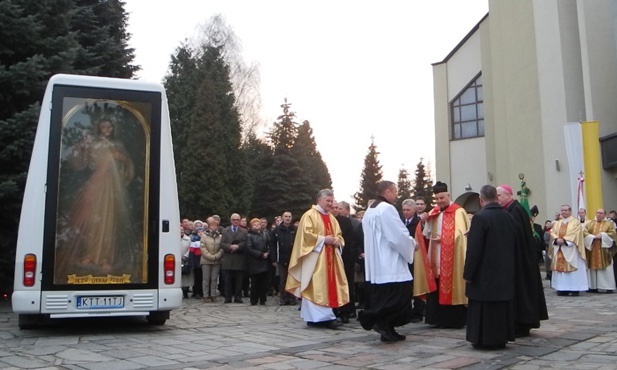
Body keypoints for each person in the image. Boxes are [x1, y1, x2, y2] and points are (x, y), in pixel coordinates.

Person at [55, 117, 139, 283]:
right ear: (99, 128)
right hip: (96, 181)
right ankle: (89, 255)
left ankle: (106, 258)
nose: (106, 129)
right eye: (103, 126)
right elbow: (78, 163)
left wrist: (120, 157)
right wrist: (81, 146)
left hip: (112, 186)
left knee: (108, 222)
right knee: (92, 220)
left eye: (109, 126)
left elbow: (128, 165)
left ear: (113, 128)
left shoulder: (118, 145)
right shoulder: (93, 143)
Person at [358, 181, 416, 342]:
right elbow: (397, 236)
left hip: (376, 263)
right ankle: (373, 318)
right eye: (395, 192)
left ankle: (388, 328)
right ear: (388, 192)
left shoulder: (371, 209)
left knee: (384, 298)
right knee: (398, 299)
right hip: (390, 263)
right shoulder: (387, 209)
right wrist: (412, 244)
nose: (397, 195)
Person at [285, 189, 349, 329]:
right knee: (316, 286)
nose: (331, 204)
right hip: (315, 258)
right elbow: (306, 235)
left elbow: (339, 235)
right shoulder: (309, 215)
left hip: (331, 257)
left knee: (327, 285)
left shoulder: (332, 218)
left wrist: (338, 241)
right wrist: (323, 239)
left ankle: (320, 318)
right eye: (328, 201)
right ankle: (321, 318)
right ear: (319, 200)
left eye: (332, 201)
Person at [464, 185, 516, 350]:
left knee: (484, 309)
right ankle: (501, 338)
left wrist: (468, 273)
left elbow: (474, 249)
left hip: (484, 274)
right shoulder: (508, 217)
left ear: (481, 200)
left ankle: (483, 339)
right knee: (500, 308)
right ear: (496, 197)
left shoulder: (480, 218)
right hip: (504, 272)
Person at [496, 185, 548, 337]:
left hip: (520, 260)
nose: (497, 198)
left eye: (499, 195)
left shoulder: (516, 210)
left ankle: (522, 323)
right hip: (516, 258)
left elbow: (515, 236)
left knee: (522, 292)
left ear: (508, 195)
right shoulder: (510, 209)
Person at [422, 181, 469, 329]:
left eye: (442, 198)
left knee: (451, 282)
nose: (439, 201)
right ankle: (436, 318)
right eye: (437, 199)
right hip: (435, 255)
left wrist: (444, 239)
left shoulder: (458, 211)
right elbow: (426, 232)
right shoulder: (434, 212)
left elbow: (462, 235)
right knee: (437, 283)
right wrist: (424, 222)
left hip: (452, 255)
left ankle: (453, 320)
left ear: (448, 195)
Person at [550, 205, 588, 296]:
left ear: (570, 211)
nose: (563, 212)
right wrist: (556, 239)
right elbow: (553, 231)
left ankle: (574, 288)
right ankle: (562, 288)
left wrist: (564, 240)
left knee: (572, 269)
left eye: (565, 210)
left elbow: (575, 233)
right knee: (560, 270)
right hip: (559, 248)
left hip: (571, 248)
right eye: (562, 210)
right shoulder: (557, 223)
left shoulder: (575, 222)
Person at [401, 199, 427, 323]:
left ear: (414, 210)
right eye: (404, 210)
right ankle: (406, 311)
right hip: (404, 258)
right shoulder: (400, 222)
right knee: (405, 286)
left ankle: (418, 312)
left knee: (417, 284)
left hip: (417, 257)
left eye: (408, 210)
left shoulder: (419, 222)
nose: (405, 212)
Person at [332, 200, 357, 324]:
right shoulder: (325, 220)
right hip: (330, 260)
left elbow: (350, 240)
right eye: (333, 207)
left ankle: (346, 311)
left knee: (347, 285)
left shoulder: (345, 221)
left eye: (337, 207)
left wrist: (351, 257)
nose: (335, 209)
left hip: (345, 259)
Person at [583, 209, 617, 293]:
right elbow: (584, 233)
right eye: (598, 213)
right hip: (592, 249)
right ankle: (593, 286)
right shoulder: (590, 223)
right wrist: (592, 237)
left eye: (601, 213)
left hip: (604, 251)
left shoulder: (609, 224)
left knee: (607, 268)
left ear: (604, 214)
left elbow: (613, 234)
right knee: (592, 268)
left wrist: (602, 235)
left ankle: (608, 287)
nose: (599, 215)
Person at [221, 213, 248, 303]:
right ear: (231, 220)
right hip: (228, 258)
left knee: (239, 280)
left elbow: (246, 243)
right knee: (227, 280)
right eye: (234, 220)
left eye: (237, 220)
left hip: (239, 258)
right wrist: (230, 247)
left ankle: (238, 297)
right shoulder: (225, 230)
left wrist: (238, 247)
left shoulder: (244, 231)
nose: (236, 221)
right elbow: (222, 243)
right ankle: (228, 297)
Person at [270, 211, 297, 305]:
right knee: (283, 279)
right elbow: (272, 245)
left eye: (289, 216)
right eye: (286, 216)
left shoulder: (295, 230)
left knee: (292, 279)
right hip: (281, 258)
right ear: (282, 218)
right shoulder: (276, 231)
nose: (288, 218)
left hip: (293, 258)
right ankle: (283, 298)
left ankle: (292, 297)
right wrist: (273, 259)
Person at [246, 218, 271, 305]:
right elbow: (249, 248)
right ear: (252, 226)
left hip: (264, 261)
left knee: (264, 283)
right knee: (255, 282)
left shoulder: (265, 234)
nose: (257, 226)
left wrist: (267, 253)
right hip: (254, 262)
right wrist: (260, 254)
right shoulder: (249, 236)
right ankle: (254, 299)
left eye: (258, 224)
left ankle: (263, 299)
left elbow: (269, 245)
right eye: (255, 224)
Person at [200, 217, 224, 302]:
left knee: (214, 278)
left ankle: (213, 294)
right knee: (206, 278)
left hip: (216, 260)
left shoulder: (220, 236)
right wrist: (210, 256)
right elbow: (202, 248)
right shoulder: (204, 236)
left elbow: (222, 247)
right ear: (209, 226)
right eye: (212, 225)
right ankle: (205, 295)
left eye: (215, 226)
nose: (214, 227)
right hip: (206, 260)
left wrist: (217, 256)